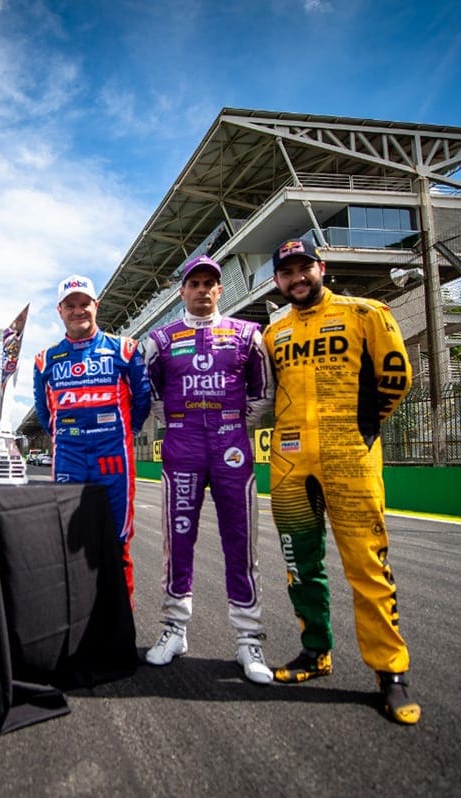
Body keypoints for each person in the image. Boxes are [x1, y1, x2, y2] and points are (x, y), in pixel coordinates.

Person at [262, 238, 420, 725]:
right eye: (287, 272)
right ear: (277, 281)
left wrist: (360, 430)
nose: (297, 278)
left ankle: (390, 672)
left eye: (304, 267)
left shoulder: (366, 312)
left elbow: (397, 377)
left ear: (321, 267)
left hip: (350, 459)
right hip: (289, 465)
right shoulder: (274, 333)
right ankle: (315, 652)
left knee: (367, 568)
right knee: (299, 566)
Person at [140, 255, 275, 683]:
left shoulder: (248, 334)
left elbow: (263, 392)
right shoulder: (160, 340)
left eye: (209, 284)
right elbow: (153, 395)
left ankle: (248, 639)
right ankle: (174, 628)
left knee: (241, 539)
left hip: (232, 443)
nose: (201, 290)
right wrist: (180, 423)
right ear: (182, 291)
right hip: (183, 445)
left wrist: (231, 423)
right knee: (178, 538)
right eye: (193, 283)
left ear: (220, 290)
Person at [33, 274, 151, 598]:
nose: (78, 311)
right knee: (69, 540)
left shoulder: (124, 349)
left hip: (114, 455)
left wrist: (128, 432)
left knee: (117, 540)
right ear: (60, 311)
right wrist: (63, 436)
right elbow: (44, 413)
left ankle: (120, 628)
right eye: (70, 306)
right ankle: (77, 625)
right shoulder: (45, 359)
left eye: (84, 304)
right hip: (69, 456)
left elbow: (142, 400)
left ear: (96, 306)